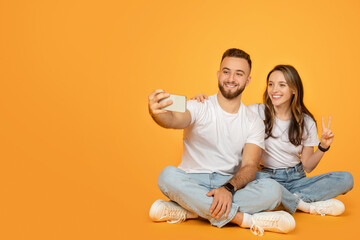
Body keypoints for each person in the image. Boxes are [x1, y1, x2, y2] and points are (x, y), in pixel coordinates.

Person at [147, 48, 295, 236]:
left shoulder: (253, 121)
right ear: (218, 74)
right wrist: (157, 113)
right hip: (193, 180)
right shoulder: (198, 106)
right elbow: (173, 120)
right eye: (226, 71)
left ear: (248, 80)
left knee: (273, 190)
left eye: (239, 74)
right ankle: (243, 219)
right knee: (167, 176)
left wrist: (228, 188)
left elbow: (250, 166)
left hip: (229, 185)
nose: (231, 78)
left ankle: (191, 210)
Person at [191, 64, 354, 216]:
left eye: (282, 85)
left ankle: (285, 200)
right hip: (265, 178)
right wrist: (206, 103)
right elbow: (228, 115)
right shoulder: (255, 112)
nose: (274, 90)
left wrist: (323, 147)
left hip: (297, 179)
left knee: (346, 179)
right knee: (264, 186)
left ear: (294, 89)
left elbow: (308, 166)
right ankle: (302, 204)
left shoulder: (306, 122)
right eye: (271, 84)